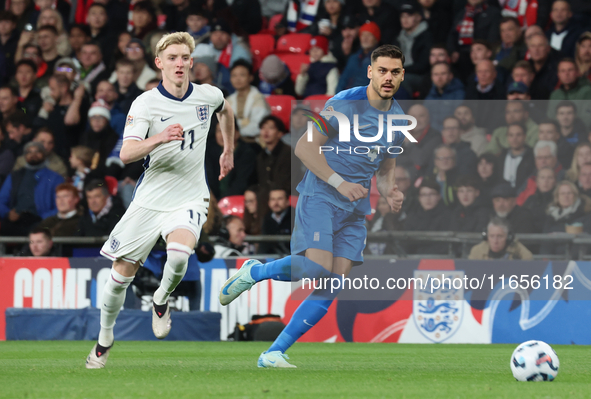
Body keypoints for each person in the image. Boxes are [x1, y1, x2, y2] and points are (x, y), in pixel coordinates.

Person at [218, 44, 406, 368]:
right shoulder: (344, 103)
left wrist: (391, 191)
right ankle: (256, 271)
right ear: (370, 72)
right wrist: (339, 182)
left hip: (356, 208)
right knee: (317, 268)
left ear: (402, 75)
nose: (388, 77)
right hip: (322, 194)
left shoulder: (399, 119)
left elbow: (385, 166)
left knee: (332, 284)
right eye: (383, 70)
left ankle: (273, 352)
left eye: (395, 71)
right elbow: (305, 149)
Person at [86, 32, 236, 369]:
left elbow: (225, 111)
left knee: (180, 254)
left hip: (190, 195)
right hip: (150, 199)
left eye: (184, 57)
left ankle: (160, 298)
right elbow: (126, 153)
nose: (179, 63)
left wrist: (228, 148)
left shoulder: (208, 96)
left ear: (192, 62)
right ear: (159, 63)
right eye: (172, 58)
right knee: (117, 280)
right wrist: (159, 137)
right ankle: (105, 338)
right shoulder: (145, 103)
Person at [0, 141, 64, 236]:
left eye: (37, 151)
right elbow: (1, 200)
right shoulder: (14, 176)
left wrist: (43, 218)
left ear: (44, 154)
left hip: (43, 222)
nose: (33, 154)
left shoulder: (56, 178)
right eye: (29, 152)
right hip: (16, 221)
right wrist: (7, 214)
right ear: (24, 156)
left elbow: (61, 206)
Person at [404, 178, 450, 254]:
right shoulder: (412, 217)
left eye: (432, 194)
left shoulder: (447, 217)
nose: (428, 198)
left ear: (439, 196)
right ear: (419, 198)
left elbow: (444, 245)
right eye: (424, 195)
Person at [227, 60, 271, 140]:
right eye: (234, 75)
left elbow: (258, 125)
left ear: (250, 77)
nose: (238, 79)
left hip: (255, 142)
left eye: (242, 75)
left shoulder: (258, 98)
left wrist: (238, 133)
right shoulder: (228, 100)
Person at [542, 180, 590, 254]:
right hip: (553, 260)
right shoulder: (550, 216)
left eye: (569, 193)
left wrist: (557, 233)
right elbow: (545, 242)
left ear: (575, 195)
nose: (566, 196)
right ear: (557, 197)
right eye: (562, 193)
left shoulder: (586, 214)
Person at [336, 22, 380, 93]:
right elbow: (343, 80)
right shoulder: (353, 58)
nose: (365, 39)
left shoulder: (381, 60)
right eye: (363, 35)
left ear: (375, 38)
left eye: (369, 35)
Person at [256, 115, 291, 198]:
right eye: (263, 128)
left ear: (280, 133)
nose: (266, 131)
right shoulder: (260, 156)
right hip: (266, 198)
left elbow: (287, 182)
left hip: (284, 198)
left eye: (271, 128)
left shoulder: (288, 153)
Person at [424, 62, 465, 131]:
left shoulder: (459, 95)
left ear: (450, 76)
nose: (439, 78)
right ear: (432, 77)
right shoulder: (430, 96)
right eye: (436, 74)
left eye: (443, 74)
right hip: (432, 136)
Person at [468, 217, 533, 260]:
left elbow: (529, 261)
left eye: (500, 236)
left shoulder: (517, 249)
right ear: (486, 237)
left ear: (508, 237)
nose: (495, 241)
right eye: (492, 236)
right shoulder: (477, 251)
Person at [259, 187, 294, 255]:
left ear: (287, 201)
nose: (276, 203)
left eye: (280, 199)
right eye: (273, 199)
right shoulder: (266, 218)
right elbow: (264, 246)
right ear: (268, 203)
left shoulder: (295, 216)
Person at [500, 123, 535, 189]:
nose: (514, 139)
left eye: (518, 135)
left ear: (524, 136)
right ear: (507, 137)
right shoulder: (501, 156)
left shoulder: (532, 157)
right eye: (511, 135)